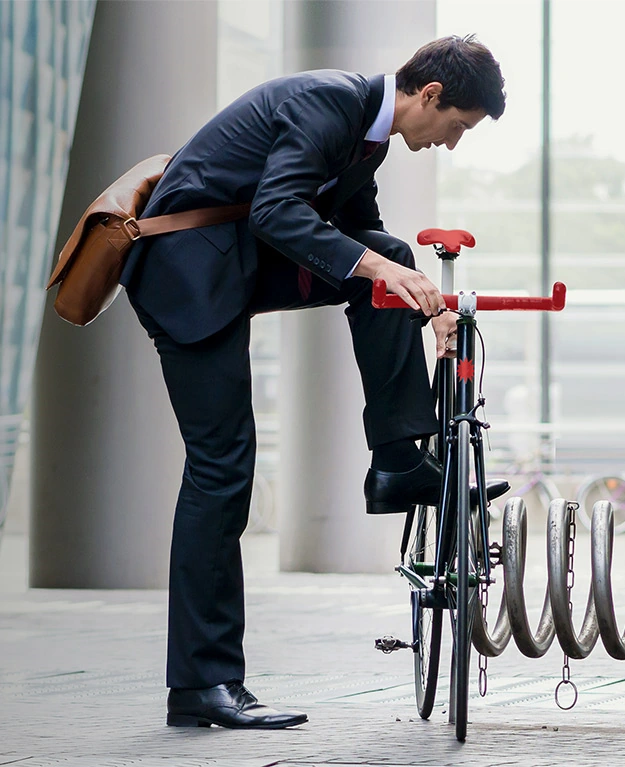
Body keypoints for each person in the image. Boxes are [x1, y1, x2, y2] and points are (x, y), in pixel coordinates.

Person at [120, 34, 506, 730]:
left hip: (233, 263)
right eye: (455, 127)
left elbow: (366, 243)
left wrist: (426, 307)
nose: (450, 143)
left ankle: (395, 461)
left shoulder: (369, 136)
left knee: (387, 257)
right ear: (430, 96)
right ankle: (201, 684)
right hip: (185, 273)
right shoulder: (328, 103)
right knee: (221, 470)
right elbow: (275, 211)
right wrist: (384, 272)